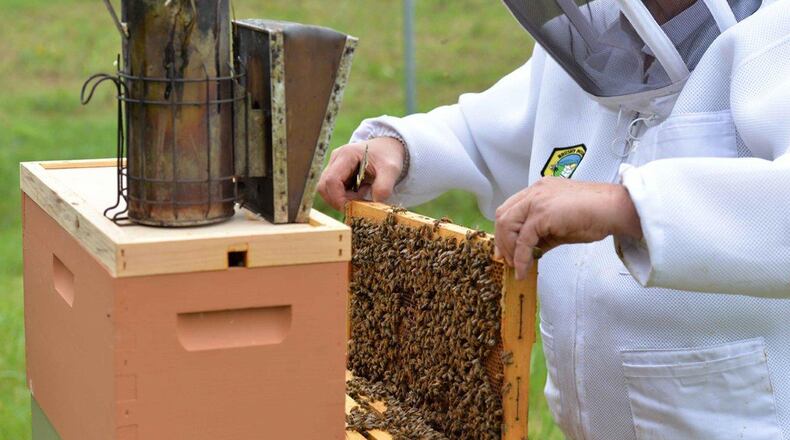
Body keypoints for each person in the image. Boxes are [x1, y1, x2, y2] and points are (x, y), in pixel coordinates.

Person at [319, 0, 790, 438]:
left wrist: (628, 206)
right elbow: (489, 128)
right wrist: (402, 148)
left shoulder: (775, 38)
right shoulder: (600, 35)